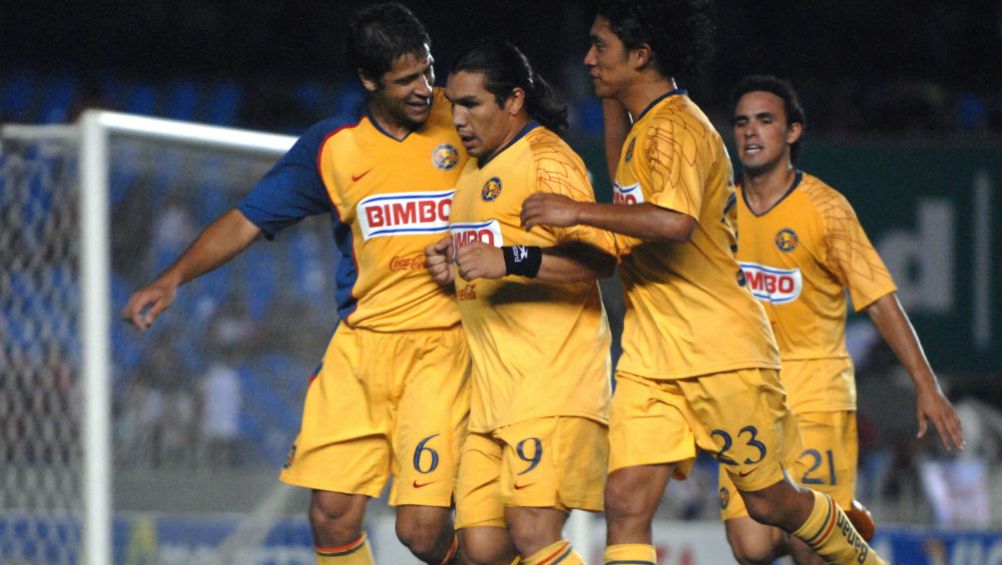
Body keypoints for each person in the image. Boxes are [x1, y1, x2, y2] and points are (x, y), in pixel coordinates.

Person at [520, 2, 891, 564]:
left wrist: (575, 210)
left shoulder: (680, 129)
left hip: (720, 350)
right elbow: (627, 182)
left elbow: (673, 222)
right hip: (652, 354)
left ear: (641, 55)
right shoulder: (646, 125)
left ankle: (864, 559)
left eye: (601, 47)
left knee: (770, 505)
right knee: (624, 502)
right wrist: (611, 99)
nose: (587, 58)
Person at [122, 4, 470, 564]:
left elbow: (529, 161)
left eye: (428, 71)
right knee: (330, 518)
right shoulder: (334, 147)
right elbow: (246, 219)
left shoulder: (466, 119)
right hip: (360, 351)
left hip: (444, 346)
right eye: (407, 79)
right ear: (368, 80)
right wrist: (172, 279)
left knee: (422, 531)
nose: (424, 88)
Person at [721, 74, 965, 565]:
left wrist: (925, 383)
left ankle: (837, 529)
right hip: (746, 395)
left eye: (765, 121)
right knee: (751, 548)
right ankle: (846, 526)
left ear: (792, 132)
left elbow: (878, 300)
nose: (751, 132)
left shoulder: (827, 210)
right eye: (742, 122)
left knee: (806, 546)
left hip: (816, 392)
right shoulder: (719, 208)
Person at [425, 39, 616, 565]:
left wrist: (511, 261)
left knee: (534, 533)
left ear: (513, 100)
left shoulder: (548, 160)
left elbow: (598, 261)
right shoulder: (470, 174)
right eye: (453, 105)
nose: (458, 118)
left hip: (553, 387)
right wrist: (451, 265)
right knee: (483, 549)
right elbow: (482, 260)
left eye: (472, 104)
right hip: (492, 398)